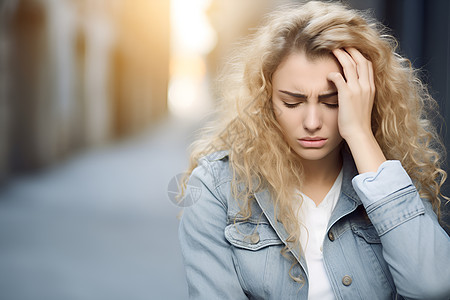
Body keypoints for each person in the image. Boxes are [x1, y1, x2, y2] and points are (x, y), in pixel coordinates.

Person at [178, 1, 450, 299]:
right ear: (266, 99)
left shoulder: (385, 175)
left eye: (333, 102)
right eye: (292, 102)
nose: (311, 122)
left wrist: (360, 134)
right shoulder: (217, 187)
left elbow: (433, 285)